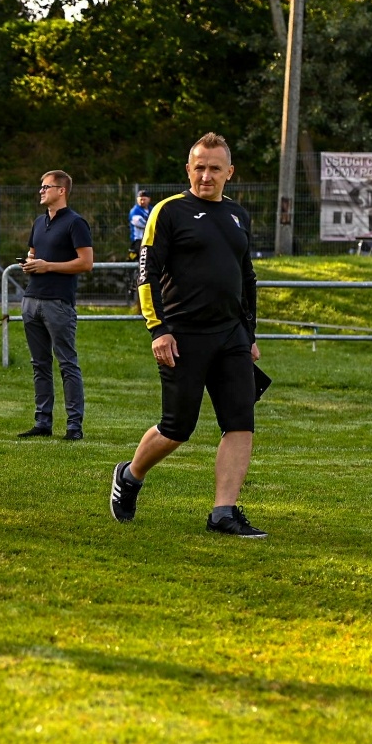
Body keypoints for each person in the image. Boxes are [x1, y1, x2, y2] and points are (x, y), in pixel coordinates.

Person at [111, 132, 265, 538]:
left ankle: (223, 513)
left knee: (240, 422)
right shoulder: (169, 211)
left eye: (215, 168)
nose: (206, 175)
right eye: (199, 167)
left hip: (232, 336)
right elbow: (146, 274)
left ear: (230, 172)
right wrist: (158, 329)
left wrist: (249, 333)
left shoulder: (237, 216)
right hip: (182, 336)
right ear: (188, 169)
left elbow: (247, 277)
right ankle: (130, 475)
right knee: (176, 428)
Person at [17, 170, 94, 440]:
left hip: (58, 303)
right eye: (41, 186)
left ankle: (74, 427)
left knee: (67, 364)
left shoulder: (76, 223)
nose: (41, 191)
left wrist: (48, 266)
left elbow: (86, 262)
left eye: (46, 187)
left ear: (61, 191)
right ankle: (42, 422)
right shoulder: (39, 222)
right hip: (31, 300)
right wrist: (29, 263)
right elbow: (33, 253)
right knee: (39, 364)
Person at [129, 189, 153, 256]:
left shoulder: (152, 209)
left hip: (149, 239)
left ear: (149, 199)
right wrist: (154, 226)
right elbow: (139, 222)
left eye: (144, 199)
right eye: (140, 199)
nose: (142, 201)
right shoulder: (135, 211)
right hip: (138, 240)